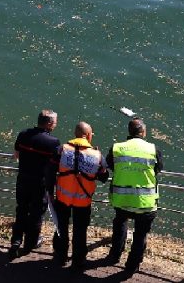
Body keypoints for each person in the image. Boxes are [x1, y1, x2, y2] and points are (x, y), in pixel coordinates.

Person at [106, 118, 163, 276]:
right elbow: (158, 169)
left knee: (120, 224)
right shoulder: (153, 149)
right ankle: (131, 266)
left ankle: (114, 255)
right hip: (145, 202)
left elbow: (110, 165)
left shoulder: (116, 148)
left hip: (121, 199)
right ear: (143, 132)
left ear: (129, 131)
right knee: (140, 235)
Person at [50, 122, 109, 270]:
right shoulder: (97, 155)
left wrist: (50, 191)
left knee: (61, 227)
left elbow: (50, 169)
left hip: (63, 197)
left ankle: (60, 256)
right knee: (80, 231)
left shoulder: (61, 149)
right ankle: (78, 260)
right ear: (88, 135)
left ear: (75, 134)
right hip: (83, 201)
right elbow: (104, 176)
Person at [8, 109, 59, 258]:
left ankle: (16, 241)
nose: (55, 125)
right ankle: (30, 244)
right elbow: (55, 165)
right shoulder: (53, 142)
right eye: (55, 122)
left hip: (23, 179)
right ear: (49, 124)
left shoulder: (23, 134)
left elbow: (16, 155)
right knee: (36, 214)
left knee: (21, 210)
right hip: (40, 184)